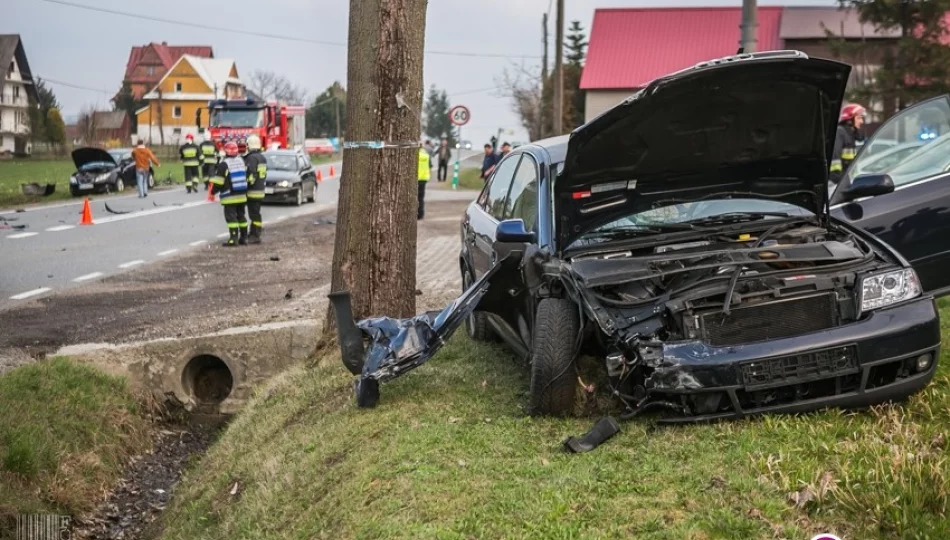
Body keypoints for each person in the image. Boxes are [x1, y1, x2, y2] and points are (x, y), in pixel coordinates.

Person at [210, 141, 249, 247]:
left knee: (231, 218)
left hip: (230, 196)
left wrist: (213, 192)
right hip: (242, 194)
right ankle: (244, 238)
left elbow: (219, 181)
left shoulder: (224, 164)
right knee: (241, 217)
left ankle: (233, 239)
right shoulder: (242, 161)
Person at [830, 103, 866, 185]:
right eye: (859, 118)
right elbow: (835, 160)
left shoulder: (850, 134)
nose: (861, 121)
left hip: (847, 181)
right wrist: (839, 181)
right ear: (849, 120)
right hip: (837, 184)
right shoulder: (840, 132)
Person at [243, 134, 268, 244]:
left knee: (254, 214)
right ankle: (254, 232)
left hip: (253, 191)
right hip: (260, 189)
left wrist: (246, 185)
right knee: (256, 213)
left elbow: (252, 175)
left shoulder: (251, 158)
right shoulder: (262, 157)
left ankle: (256, 235)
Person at [417, 145, 431, 220]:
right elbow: (430, 166)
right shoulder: (426, 155)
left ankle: (416, 214)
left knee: (415, 197)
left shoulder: (415, 155)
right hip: (424, 179)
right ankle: (421, 214)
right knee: (421, 197)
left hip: (416, 178)